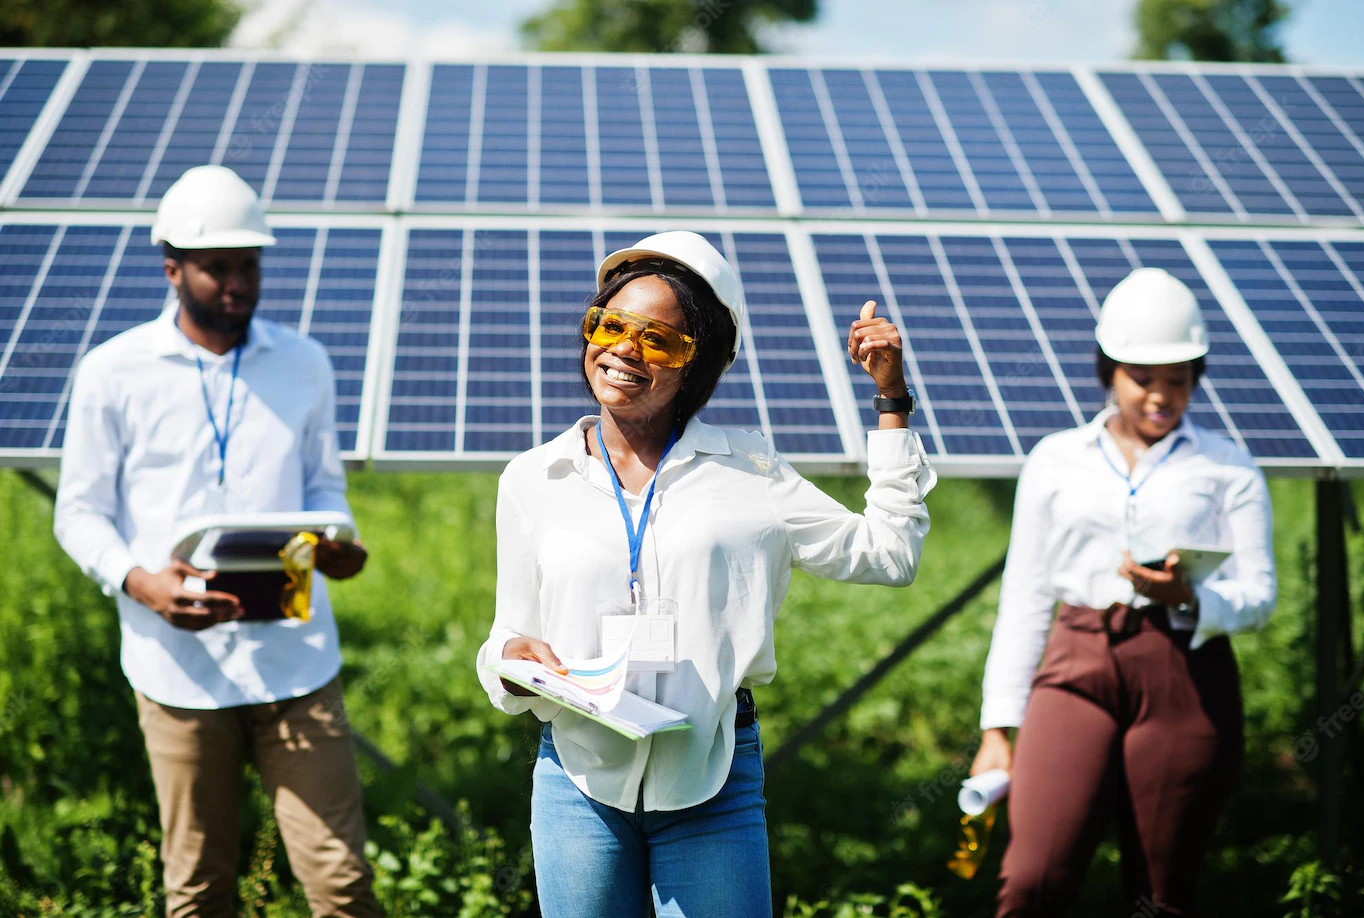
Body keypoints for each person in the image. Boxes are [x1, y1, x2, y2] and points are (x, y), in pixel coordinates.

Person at [475, 231, 936, 917]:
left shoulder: (752, 473)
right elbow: (508, 634)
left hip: (712, 778)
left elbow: (890, 554)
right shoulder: (533, 479)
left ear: (699, 363)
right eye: (610, 325)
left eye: (660, 340)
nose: (626, 351)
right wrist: (510, 657)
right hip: (577, 778)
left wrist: (892, 401)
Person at [53, 165, 381, 918]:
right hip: (177, 672)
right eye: (218, 267)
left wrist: (338, 541)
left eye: (250, 264)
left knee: (341, 886)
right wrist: (142, 583)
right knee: (198, 890)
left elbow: (324, 489)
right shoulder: (114, 372)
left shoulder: (305, 363)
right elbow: (78, 513)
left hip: (296, 662)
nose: (238, 282)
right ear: (173, 269)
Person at [968, 267, 1277, 917]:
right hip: (1076, 660)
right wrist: (998, 728)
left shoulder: (1227, 467)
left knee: (1160, 895)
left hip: (1185, 673)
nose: (1161, 397)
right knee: (1033, 879)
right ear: (1109, 371)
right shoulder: (1056, 458)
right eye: (1144, 378)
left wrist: (1188, 600)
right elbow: (1024, 593)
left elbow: (1260, 594)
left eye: (1179, 380)